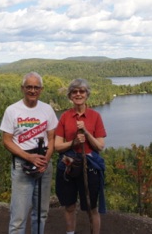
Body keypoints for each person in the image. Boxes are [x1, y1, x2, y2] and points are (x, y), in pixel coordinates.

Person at [0, 72, 58, 234]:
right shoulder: (12, 110)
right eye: (29, 87)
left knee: (41, 213)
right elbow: (6, 140)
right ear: (22, 88)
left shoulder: (47, 109)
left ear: (41, 89)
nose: (32, 90)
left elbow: (52, 138)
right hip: (22, 164)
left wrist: (45, 161)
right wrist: (29, 157)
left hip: (44, 164)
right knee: (18, 217)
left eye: (36, 87)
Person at [54, 78, 107, 234]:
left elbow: (100, 146)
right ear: (70, 96)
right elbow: (57, 146)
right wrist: (74, 143)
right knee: (69, 206)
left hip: (89, 168)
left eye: (81, 91)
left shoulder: (95, 116)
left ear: (87, 94)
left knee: (92, 208)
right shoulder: (64, 117)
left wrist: (87, 133)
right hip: (69, 166)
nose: (78, 94)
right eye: (74, 92)